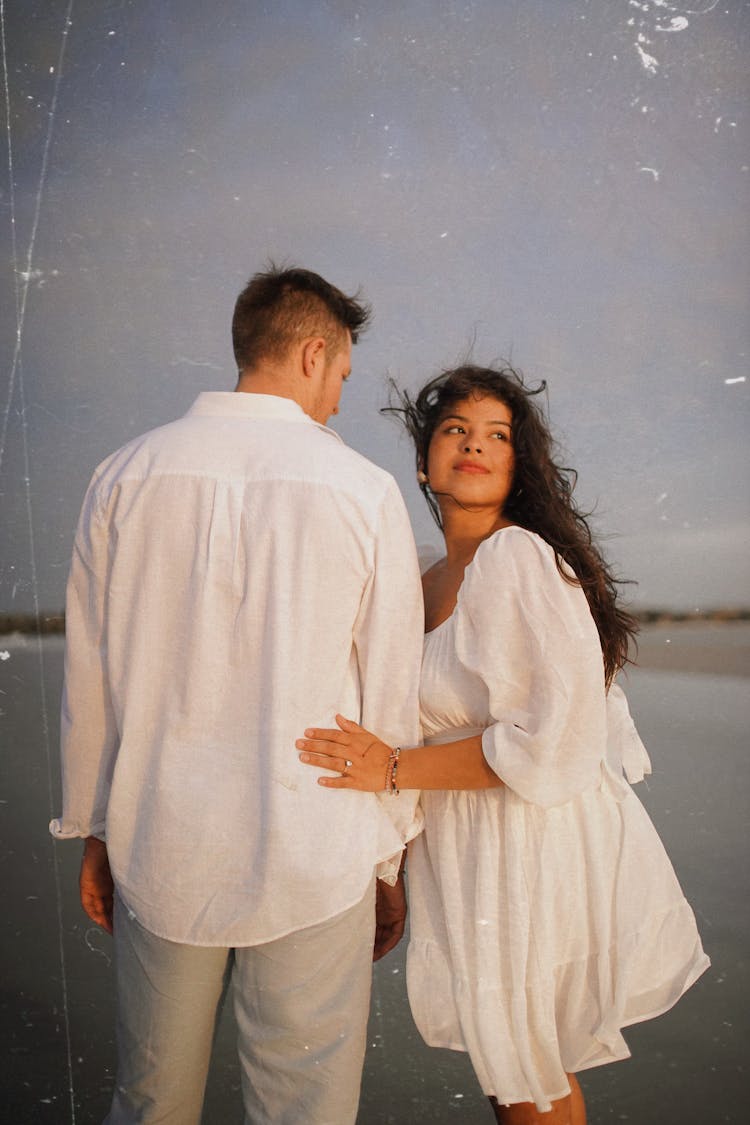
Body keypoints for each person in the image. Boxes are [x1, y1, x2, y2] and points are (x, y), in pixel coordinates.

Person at [50, 265, 425, 1125]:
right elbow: (389, 697)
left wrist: (95, 827)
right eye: (339, 375)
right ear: (312, 352)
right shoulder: (364, 491)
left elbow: (91, 681)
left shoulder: (120, 476)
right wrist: (388, 860)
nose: (335, 399)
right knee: (306, 1109)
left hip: (162, 843)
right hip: (317, 846)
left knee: (150, 1101)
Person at [297, 364, 710, 1124]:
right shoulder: (420, 583)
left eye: (497, 435)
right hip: (461, 841)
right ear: (425, 461)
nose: (475, 445)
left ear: (519, 465)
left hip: (529, 836)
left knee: (525, 1064)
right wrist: (391, 865)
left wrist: (390, 769)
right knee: (508, 1066)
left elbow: (558, 741)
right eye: (455, 430)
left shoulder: (521, 558)